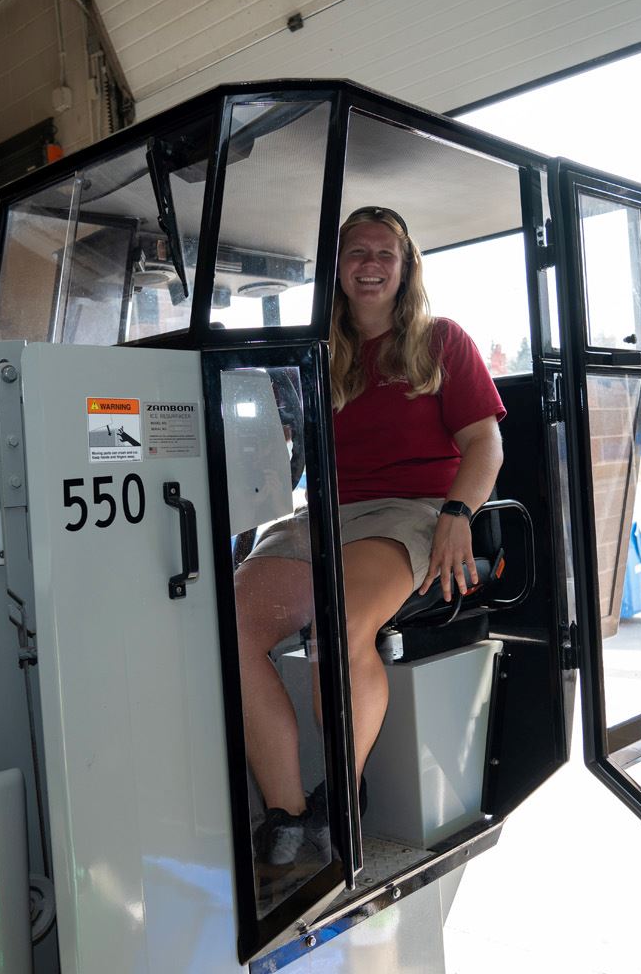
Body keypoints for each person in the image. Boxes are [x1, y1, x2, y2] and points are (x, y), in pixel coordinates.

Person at [233, 206, 505, 869]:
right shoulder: (316, 355)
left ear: (406, 267)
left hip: (412, 511)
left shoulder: (443, 342)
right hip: (325, 513)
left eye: (386, 253)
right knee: (228, 625)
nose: (372, 264)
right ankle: (290, 814)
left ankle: (341, 801)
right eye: (358, 252)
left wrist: (458, 514)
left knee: (340, 623)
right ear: (339, 269)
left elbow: (484, 444)